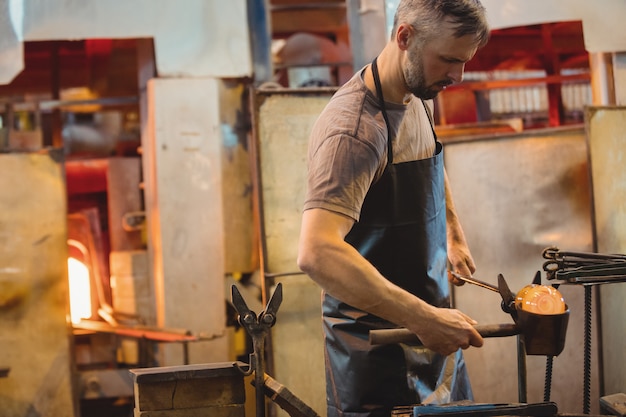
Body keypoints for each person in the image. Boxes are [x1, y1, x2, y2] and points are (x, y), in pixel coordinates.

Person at [296, 1, 491, 416]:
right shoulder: (354, 131)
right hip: (375, 357)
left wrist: (453, 234)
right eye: (450, 60)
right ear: (405, 37)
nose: (458, 77)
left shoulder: (418, 90)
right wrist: (424, 319)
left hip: (430, 331)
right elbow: (316, 252)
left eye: (464, 62)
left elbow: (429, 156)